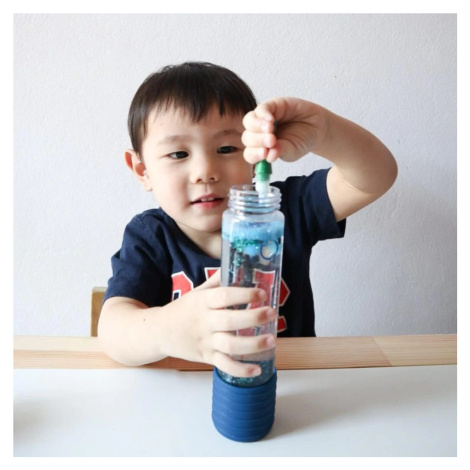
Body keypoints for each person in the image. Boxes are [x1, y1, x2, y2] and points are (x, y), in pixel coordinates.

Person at [98, 62, 397, 378]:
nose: (205, 171)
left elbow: (376, 177)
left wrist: (326, 131)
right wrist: (164, 329)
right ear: (142, 170)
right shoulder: (150, 236)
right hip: (185, 390)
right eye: (179, 154)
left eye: (226, 148)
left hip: (293, 381)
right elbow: (112, 330)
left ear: (254, 158)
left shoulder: (282, 210)